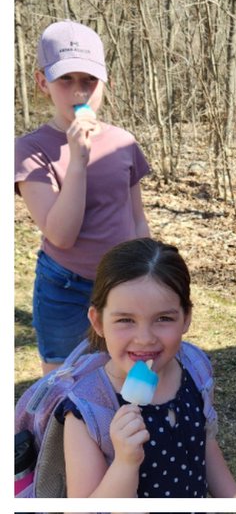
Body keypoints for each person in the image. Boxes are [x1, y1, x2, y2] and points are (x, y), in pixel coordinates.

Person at [22, 238, 236, 497]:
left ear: (186, 318)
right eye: (125, 320)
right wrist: (124, 464)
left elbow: (206, 446)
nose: (145, 338)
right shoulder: (87, 409)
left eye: (164, 318)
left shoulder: (194, 368)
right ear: (98, 321)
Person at [15, 20, 150, 375]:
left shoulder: (124, 141)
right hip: (65, 287)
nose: (79, 92)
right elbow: (61, 234)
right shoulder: (30, 150)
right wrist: (78, 159)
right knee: (63, 381)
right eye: (66, 80)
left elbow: (136, 217)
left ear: (105, 82)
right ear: (43, 83)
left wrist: (147, 273)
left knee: (122, 372)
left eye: (89, 80)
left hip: (122, 281)